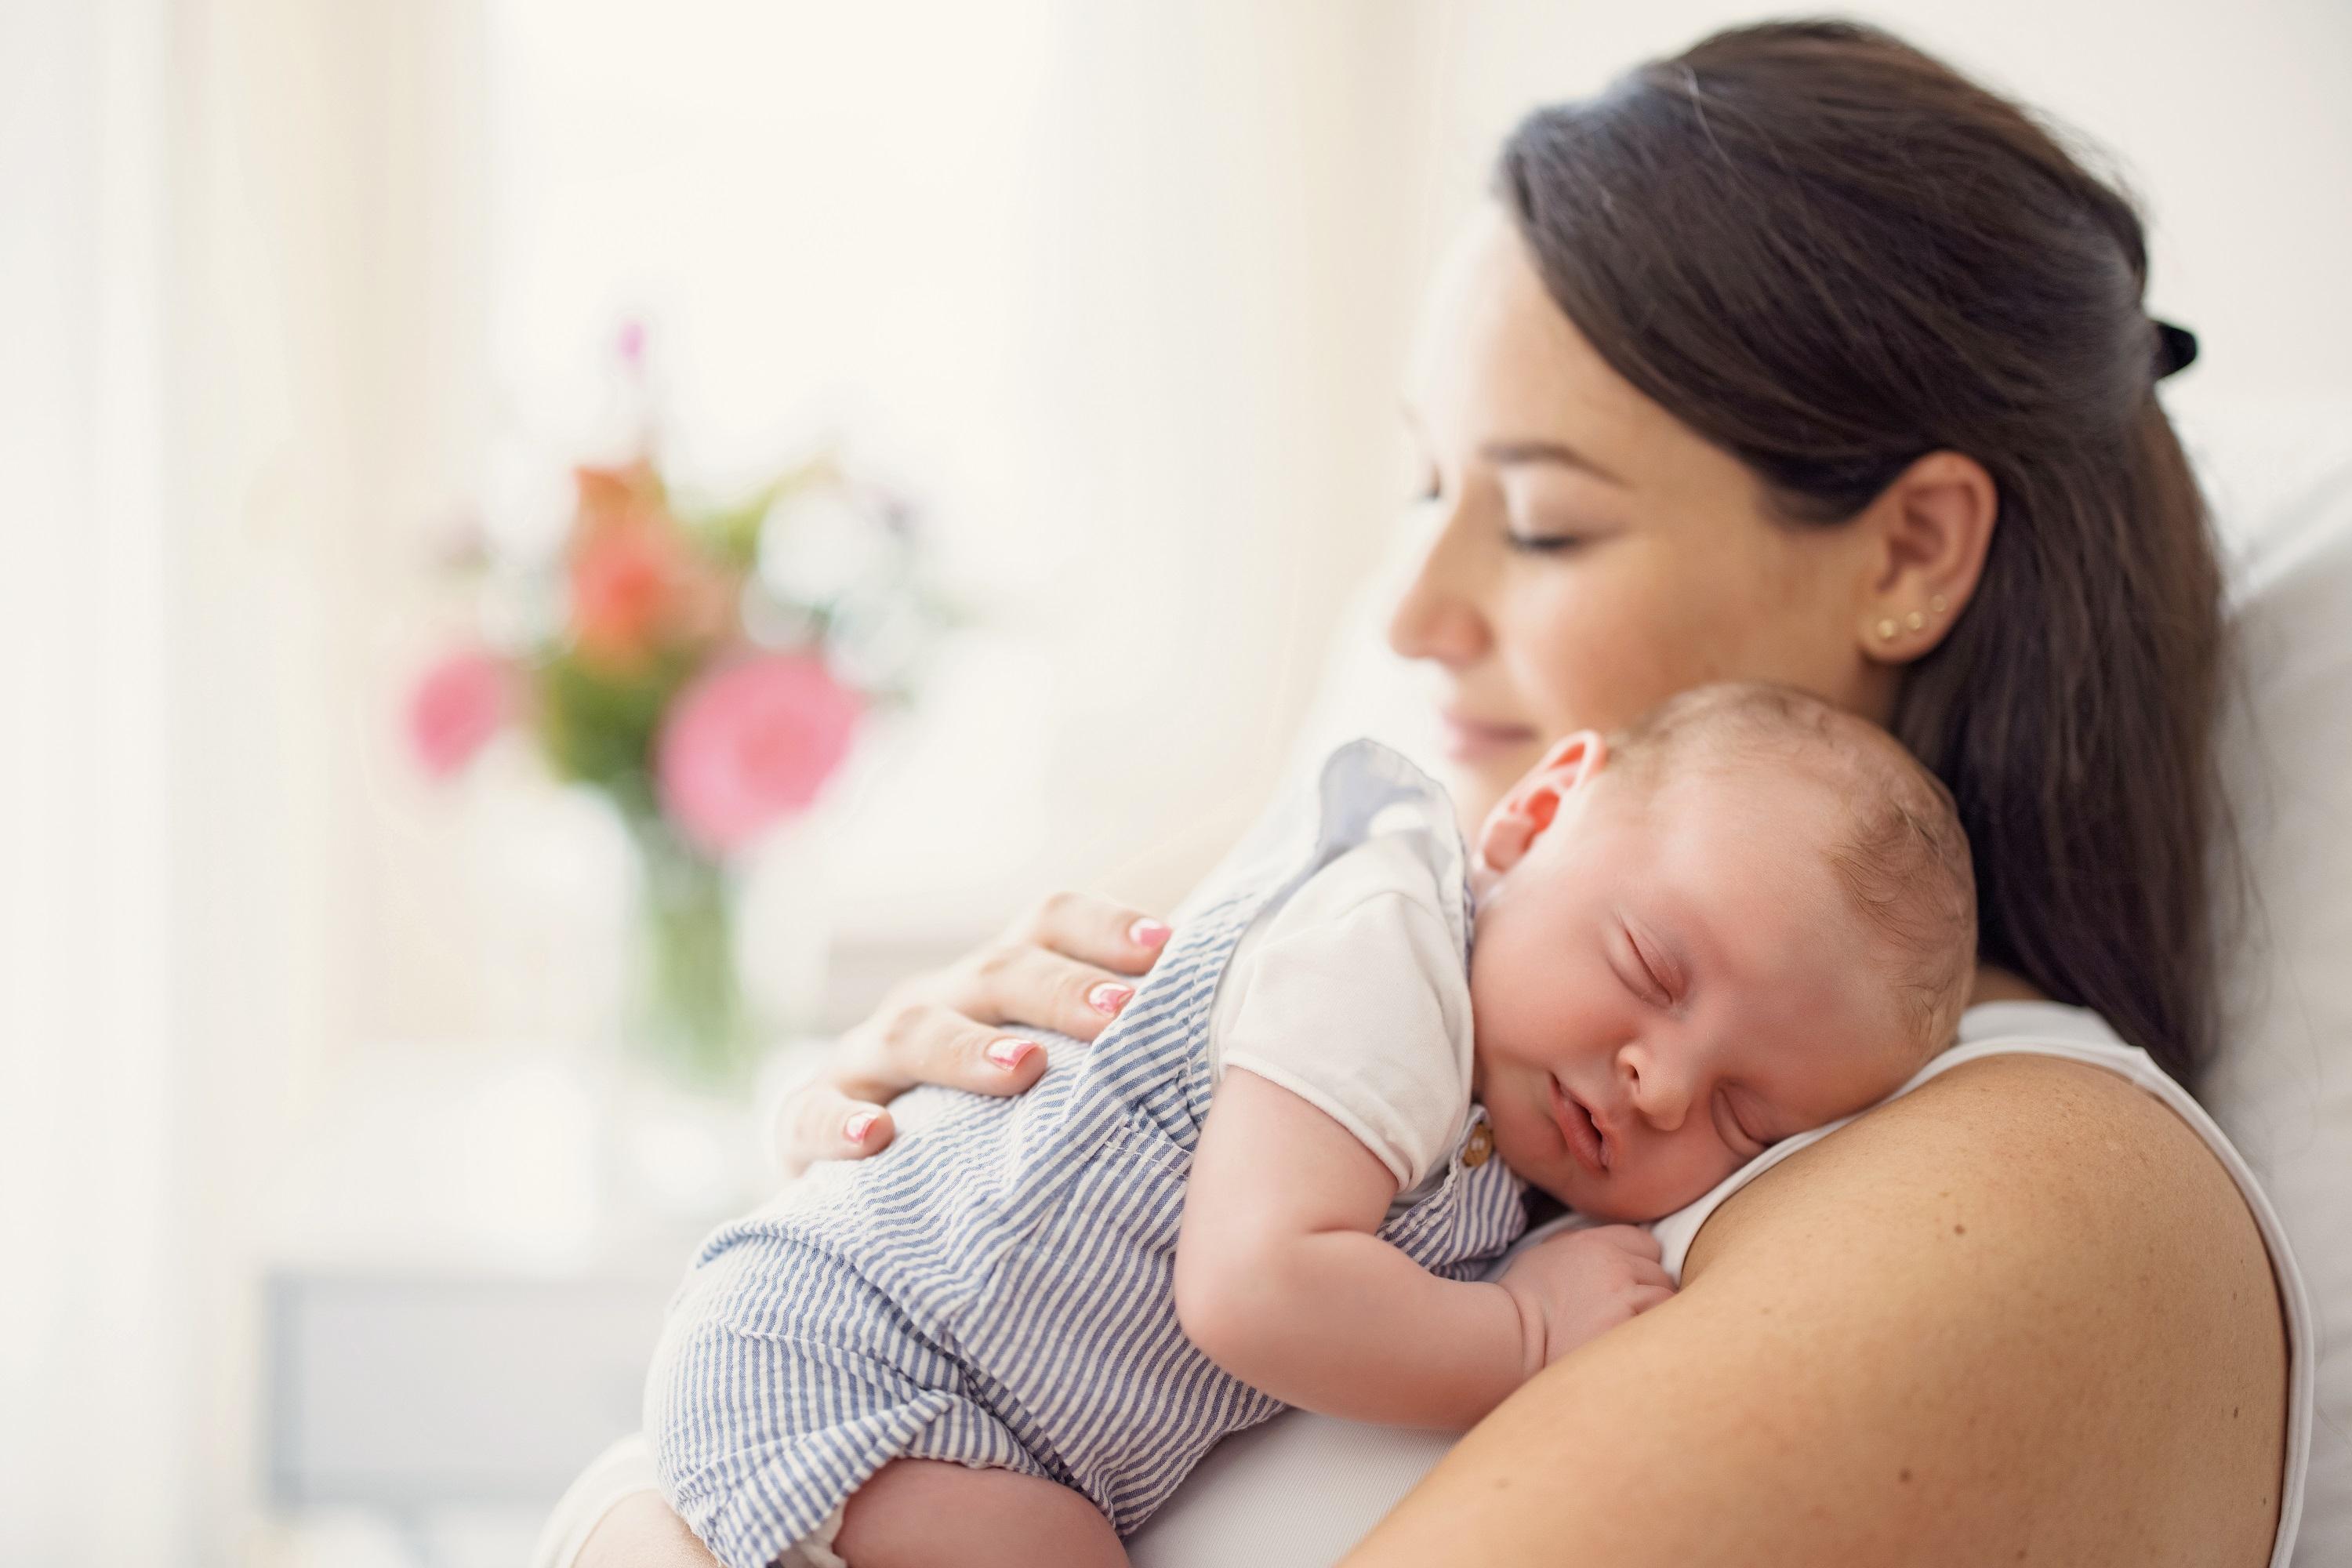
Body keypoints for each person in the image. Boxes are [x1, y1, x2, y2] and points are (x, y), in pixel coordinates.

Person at [552, 19, 2311, 1568]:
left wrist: (653, 1510)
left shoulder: (2035, 1203)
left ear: (1912, 549)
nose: (1408, 616)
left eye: (1544, 520)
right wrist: (872, 1159)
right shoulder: (1423, 942)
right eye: (1424, 490)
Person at [640, 685, 1977, 1568]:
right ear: (1536, 810)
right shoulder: (1386, 956)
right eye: (1650, 967)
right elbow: (1255, 1287)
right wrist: (1525, 1331)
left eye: (1748, 1118)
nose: (1666, 1088)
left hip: (947, 1401)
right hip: (863, 1356)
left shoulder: (1506, 1114)